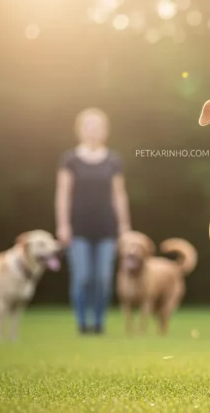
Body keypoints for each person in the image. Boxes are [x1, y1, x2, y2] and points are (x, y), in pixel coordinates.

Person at [55, 107, 131, 335]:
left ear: (105, 131)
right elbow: (63, 194)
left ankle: (98, 324)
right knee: (83, 278)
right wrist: (63, 225)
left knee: (103, 280)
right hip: (77, 229)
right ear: (79, 130)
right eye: (88, 126)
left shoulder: (113, 160)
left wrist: (124, 227)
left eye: (98, 127)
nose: (93, 131)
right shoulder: (70, 159)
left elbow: (119, 195)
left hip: (107, 229)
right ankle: (82, 323)